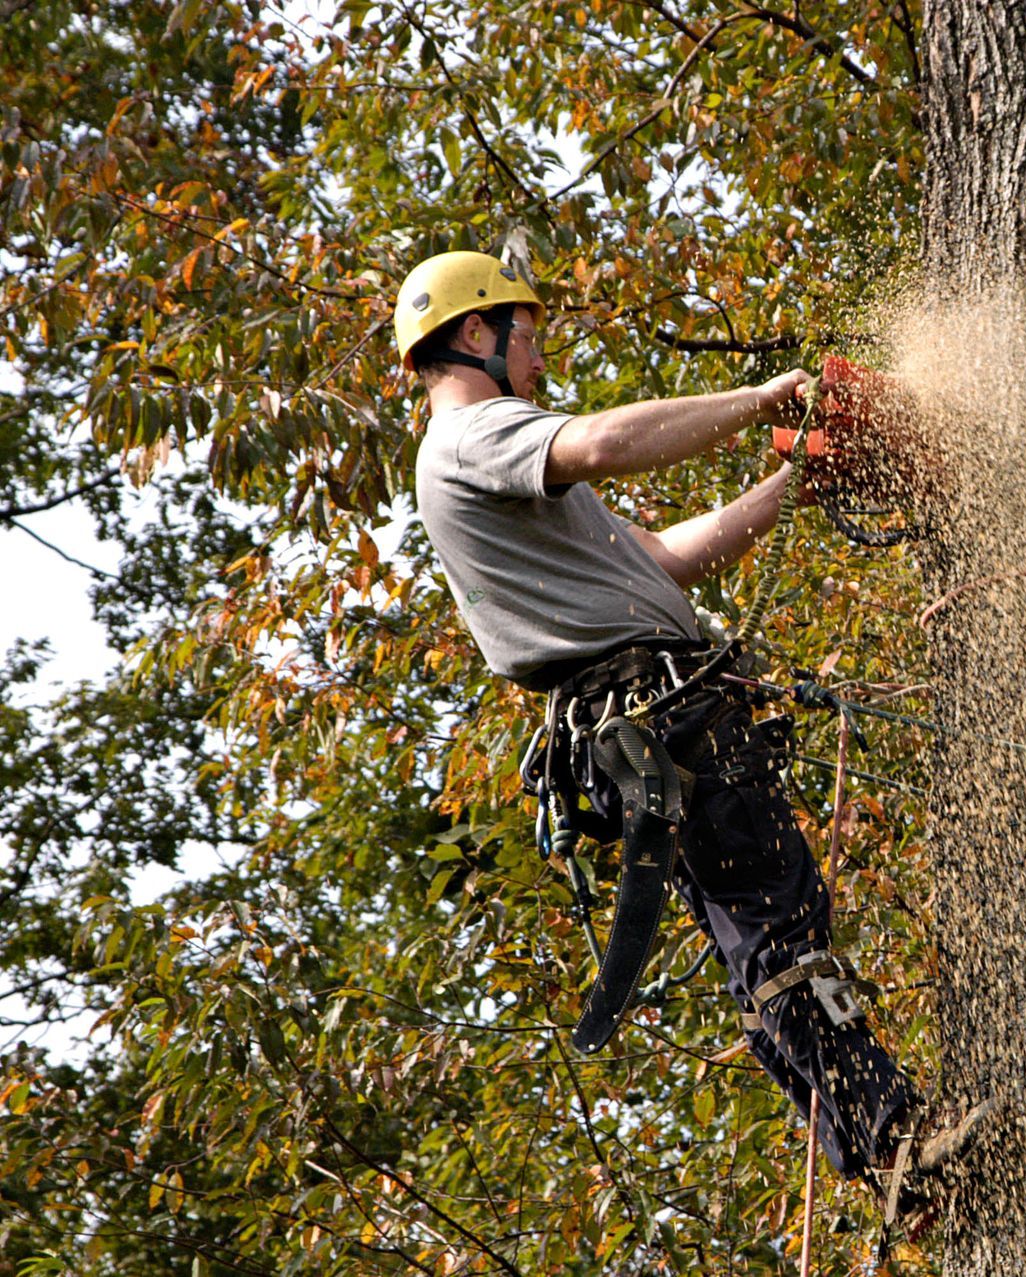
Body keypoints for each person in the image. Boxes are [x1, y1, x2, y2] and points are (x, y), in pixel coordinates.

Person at [392, 250, 985, 1230]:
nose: (538, 356)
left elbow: (667, 557)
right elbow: (602, 441)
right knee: (777, 927)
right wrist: (759, 400)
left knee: (764, 940)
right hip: (654, 716)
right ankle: (896, 1140)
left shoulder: (502, 465)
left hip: (653, 723)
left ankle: (887, 1162)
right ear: (474, 334)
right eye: (526, 334)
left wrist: (797, 476)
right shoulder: (474, 433)